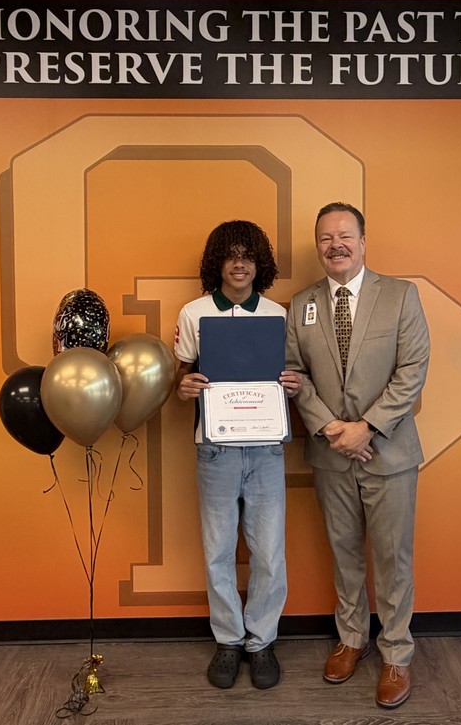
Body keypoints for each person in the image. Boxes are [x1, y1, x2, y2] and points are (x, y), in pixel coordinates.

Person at [285, 202, 430, 709]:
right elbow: (294, 374)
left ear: (363, 243)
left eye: (345, 236)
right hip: (330, 454)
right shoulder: (300, 304)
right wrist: (332, 428)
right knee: (344, 554)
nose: (336, 245)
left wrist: (366, 427)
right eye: (326, 238)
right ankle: (351, 639)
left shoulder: (401, 296)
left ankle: (397, 653)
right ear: (318, 247)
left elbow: (412, 370)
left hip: (388, 453)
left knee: (393, 559)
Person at [174, 220, 303, 690]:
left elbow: (293, 373)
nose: (239, 263)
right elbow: (179, 375)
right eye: (230, 254)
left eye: (248, 255)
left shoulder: (277, 314)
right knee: (218, 551)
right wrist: (183, 387)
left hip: (266, 446)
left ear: (259, 263)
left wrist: (296, 384)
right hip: (215, 449)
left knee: (268, 551)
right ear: (217, 262)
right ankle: (228, 640)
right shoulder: (194, 313)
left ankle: (261, 640)